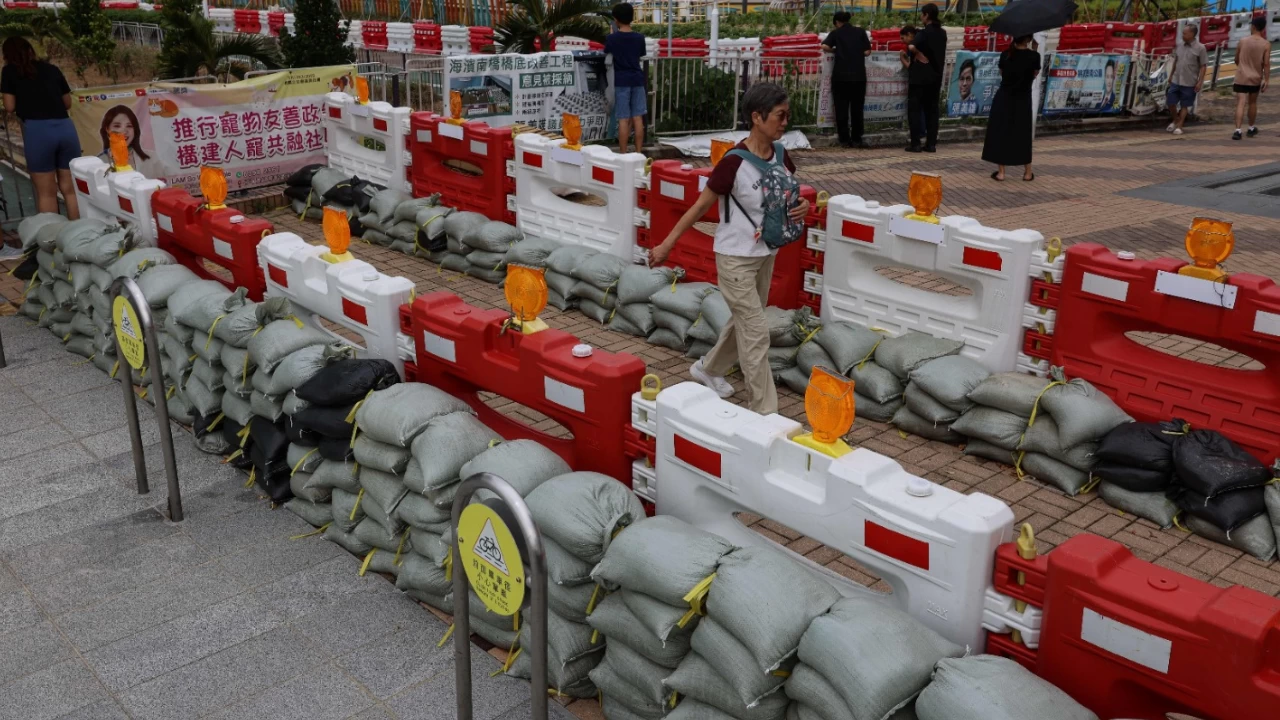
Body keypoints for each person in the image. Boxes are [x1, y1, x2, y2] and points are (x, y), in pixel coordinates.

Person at [648, 83, 809, 416]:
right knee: (755, 330)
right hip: (735, 259)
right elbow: (697, 208)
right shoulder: (733, 163)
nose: (784, 123)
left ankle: (708, 369)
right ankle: (765, 414)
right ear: (757, 117)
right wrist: (666, 244)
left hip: (766, 255)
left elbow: (787, 195)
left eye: (786, 116)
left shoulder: (781, 155)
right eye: (780, 116)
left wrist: (802, 206)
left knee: (744, 322)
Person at [0, 36, 80, 238]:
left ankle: (54, 241)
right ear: (30, 50)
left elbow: (9, 106)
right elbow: (67, 102)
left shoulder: (9, 72)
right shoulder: (51, 69)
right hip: (65, 127)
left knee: (46, 192)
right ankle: (80, 235)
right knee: (70, 189)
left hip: (38, 131)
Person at [982, 35, 1040, 182]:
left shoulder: (1006, 54)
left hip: (1004, 98)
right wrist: (1035, 50)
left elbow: (1003, 74)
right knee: (1023, 134)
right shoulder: (1034, 56)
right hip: (1023, 99)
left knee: (1002, 132)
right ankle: (1028, 172)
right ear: (1029, 39)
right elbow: (1034, 75)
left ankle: (1001, 172)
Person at [821, 10, 871, 148]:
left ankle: (844, 139)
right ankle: (857, 139)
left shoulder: (836, 33)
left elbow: (824, 46)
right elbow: (867, 51)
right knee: (857, 108)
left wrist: (836, 50)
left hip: (841, 77)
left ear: (837, 22)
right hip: (859, 77)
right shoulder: (860, 32)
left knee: (841, 108)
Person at [605, 3, 647, 154]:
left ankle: (623, 153)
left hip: (621, 80)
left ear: (616, 20)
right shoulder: (639, 38)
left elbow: (608, 52)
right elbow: (640, 54)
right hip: (637, 79)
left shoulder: (612, 39)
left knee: (623, 119)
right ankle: (638, 153)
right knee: (637, 118)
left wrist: (612, 34)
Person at [906, 3, 946, 152]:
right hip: (936, 77)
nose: (921, 17)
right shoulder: (942, 33)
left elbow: (910, 46)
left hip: (920, 78)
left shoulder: (923, 33)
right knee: (932, 111)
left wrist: (918, 53)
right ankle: (931, 144)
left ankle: (915, 143)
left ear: (926, 15)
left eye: (922, 14)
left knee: (915, 110)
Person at [1231, 16, 1270, 140]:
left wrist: (1242, 67)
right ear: (1263, 28)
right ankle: (1251, 128)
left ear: (1253, 26)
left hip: (1241, 76)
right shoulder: (1266, 44)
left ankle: (1237, 130)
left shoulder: (1243, 41)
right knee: (1252, 103)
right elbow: (1266, 63)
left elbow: (1236, 59)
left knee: (1240, 103)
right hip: (1255, 77)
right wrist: (1267, 79)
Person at [1166, 23, 1208, 136]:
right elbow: (1176, 61)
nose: (1183, 35)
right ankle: (1176, 119)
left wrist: (1200, 81)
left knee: (1185, 104)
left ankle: (1180, 126)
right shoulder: (1180, 45)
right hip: (1176, 79)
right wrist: (1171, 75)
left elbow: (1203, 65)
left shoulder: (1200, 48)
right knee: (1170, 101)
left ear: (1192, 34)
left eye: (1185, 33)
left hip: (1190, 81)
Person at [96, 105, 151, 171]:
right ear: (107, 129)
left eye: (129, 126)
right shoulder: (99, 162)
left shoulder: (152, 158)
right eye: (117, 126)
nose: (124, 131)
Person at [900, 26, 928, 143]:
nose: (903, 41)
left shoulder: (913, 46)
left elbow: (912, 68)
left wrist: (903, 59)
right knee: (925, 107)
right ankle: (926, 133)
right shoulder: (925, 42)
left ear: (909, 34)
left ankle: (919, 134)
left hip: (917, 80)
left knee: (917, 109)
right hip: (929, 79)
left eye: (903, 38)